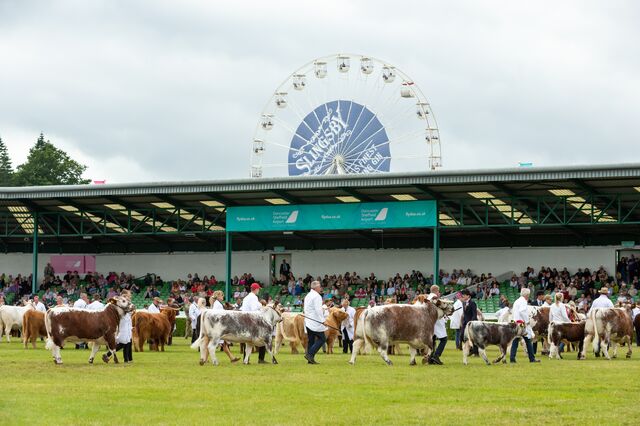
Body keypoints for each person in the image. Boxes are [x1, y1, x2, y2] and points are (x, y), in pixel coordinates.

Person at [510, 288, 540, 363]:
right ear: (527, 295)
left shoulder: (517, 301)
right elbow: (522, 312)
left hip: (515, 322)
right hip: (521, 323)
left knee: (516, 340)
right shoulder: (523, 301)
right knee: (528, 340)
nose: (528, 297)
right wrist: (527, 321)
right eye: (528, 295)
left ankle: (512, 358)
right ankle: (532, 358)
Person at [104, 290, 134, 364]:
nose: (130, 296)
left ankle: (128, 359)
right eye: (128, 295)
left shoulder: (127, 303)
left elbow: (131, 310)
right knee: (123, 342)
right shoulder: (121, 302)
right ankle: (108, 354)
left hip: (127, 323)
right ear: (124, 295)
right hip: (123, 323)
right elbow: (126, 311)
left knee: (127, 342)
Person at [241, 283, 266, 363]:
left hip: (245, 321)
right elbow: (254, 309)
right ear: (256, 289)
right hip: (252, 321)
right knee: (263, 339)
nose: (258, 291)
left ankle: (246, 359)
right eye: (258, 289)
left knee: (247, 341)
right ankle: (261, 359)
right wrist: (261, 307)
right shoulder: (253, 297)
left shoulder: (246, 297)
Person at [211, 290, 240, 363]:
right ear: (218, 296)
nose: (223, 296)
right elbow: (218, 315)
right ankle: (205, 358)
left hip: (219, 326)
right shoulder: (217, 304)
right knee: (215, 344)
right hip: (218, 326)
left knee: (223, 344)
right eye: (221, 295)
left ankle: (232, 358)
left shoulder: (218, 303)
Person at [303, 281, 327, 364]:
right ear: (315, 288)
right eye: (320, 287)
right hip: (315, 321)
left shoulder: (308, 295)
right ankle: (310, 354)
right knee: (322, 338)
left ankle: (310, 360)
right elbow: (318, 310)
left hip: (308, 320)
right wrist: (323, 320)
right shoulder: (317, 296)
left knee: (311, 340)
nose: (321, 288)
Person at [427, 285, 447, 365]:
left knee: (433, 340)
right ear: (436, 290)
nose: (439, 293)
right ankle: (436, 356)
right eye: (438, 291)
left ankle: (430, 357)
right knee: (444, 339)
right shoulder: (434, 297)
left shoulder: (428, 297)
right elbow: (443, 307)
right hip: (437, 321)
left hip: (431, 321)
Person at [549, 292, 571, 357]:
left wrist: (551, 323)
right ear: (561, 298)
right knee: (565, 338)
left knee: (554, 340)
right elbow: (564, 316)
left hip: (554, 324)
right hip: (561, 324)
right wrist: (569, 322)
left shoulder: (552, 305)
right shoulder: (562, 305)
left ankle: (553, 353)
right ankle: (559, 351)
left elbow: (550, 316)